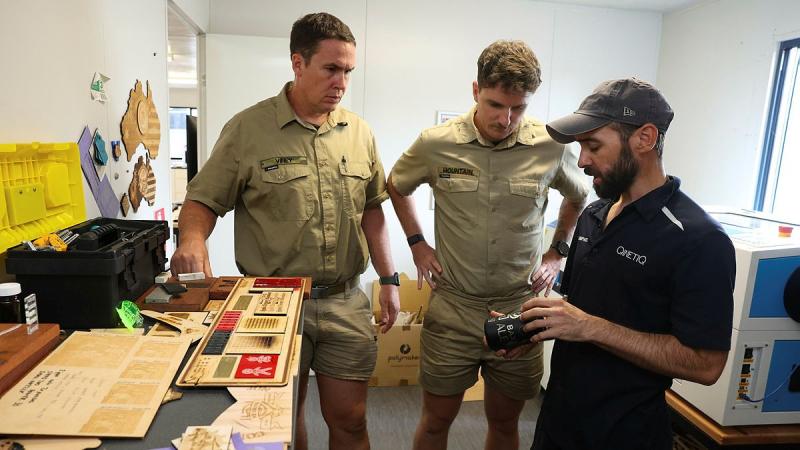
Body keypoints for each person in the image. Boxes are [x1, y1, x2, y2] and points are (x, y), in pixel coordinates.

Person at [170, 12, 400, 450]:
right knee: (277, 423)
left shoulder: (359, 133)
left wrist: (388, 281)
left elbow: (372, 210)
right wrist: (192, 239)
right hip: (271, 302)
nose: (342, 82)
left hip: (344, 301)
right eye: (331, 68)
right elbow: (202, 200)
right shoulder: (248, 129)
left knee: (350, 420)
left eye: (349, 71)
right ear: (298, 63)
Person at [388, 40, 588, 450]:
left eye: (519, 108)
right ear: (475, 90)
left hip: (519, 305)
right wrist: (417, 244)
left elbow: (579, 196)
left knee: (504, 422)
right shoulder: (435, 143)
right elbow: (396, 184)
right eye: (496, 104)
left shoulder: (549, 146)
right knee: (436, 420)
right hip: (454, 306)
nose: (506, 119)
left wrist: (557, 252)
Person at [519, 78, 736, 450]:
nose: (583, 160)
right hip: (558, 421)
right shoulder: (592, 216)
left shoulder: (698, 239)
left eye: (593, 146)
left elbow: (705, 364)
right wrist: (535, 328)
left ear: (645, 139)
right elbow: (579, 315)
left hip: (626, 432)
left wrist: (591, 328)